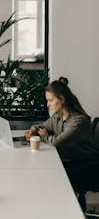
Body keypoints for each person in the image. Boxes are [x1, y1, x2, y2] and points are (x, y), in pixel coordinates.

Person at [25, 77, 99, 210]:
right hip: (70, 161)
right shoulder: (58, 116)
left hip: (86, 166)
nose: (48, 105)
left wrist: (45, 136)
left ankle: (60, 210)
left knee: (48, 176)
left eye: (50, 100)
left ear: (62, 99)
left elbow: (57, 142)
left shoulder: (78, 121)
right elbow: (42, 126)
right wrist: (33, 130)